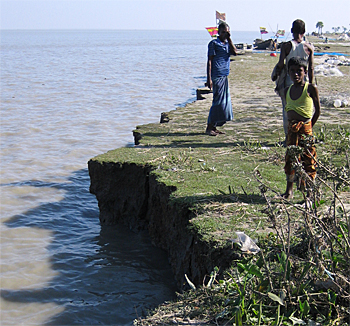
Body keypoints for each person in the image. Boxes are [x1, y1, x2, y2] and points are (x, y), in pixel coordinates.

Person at [282, 56, 320, 199]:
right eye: (292, 71)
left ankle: (309, 194)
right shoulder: (287, 90)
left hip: (305, 131)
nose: (296, 74)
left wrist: (308, 127)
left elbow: (317, 111)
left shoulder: (310, 88)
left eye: (299, 71)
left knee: (308, 161)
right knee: (290, 160)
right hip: (292, 132)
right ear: (288, 72)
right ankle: (289, 191)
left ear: (305, 72)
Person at [271, 19, 314, 143]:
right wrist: (310, 84)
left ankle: (289, 137)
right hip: (304, 83)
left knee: (288, 109)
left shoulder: (287, 46)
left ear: (291, 31)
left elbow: (280, 64)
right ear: (304, 31)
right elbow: (311, 68)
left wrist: (276, 75)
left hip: (289, 82)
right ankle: (304, 135)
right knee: (305, 109)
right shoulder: (309, 47)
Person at [206, 22, 237, 136]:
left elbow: (235, 53)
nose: (225, 34)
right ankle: (209, 127)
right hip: (216, 75)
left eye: (227, 32)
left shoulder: (227, 44)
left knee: (224, 104)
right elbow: (209, 61)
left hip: (224, 75)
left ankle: (214, 126)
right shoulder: (214, 43)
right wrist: (208, 78)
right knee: (217, 103)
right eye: (223, 32)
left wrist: (229, 39)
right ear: (218, 32)